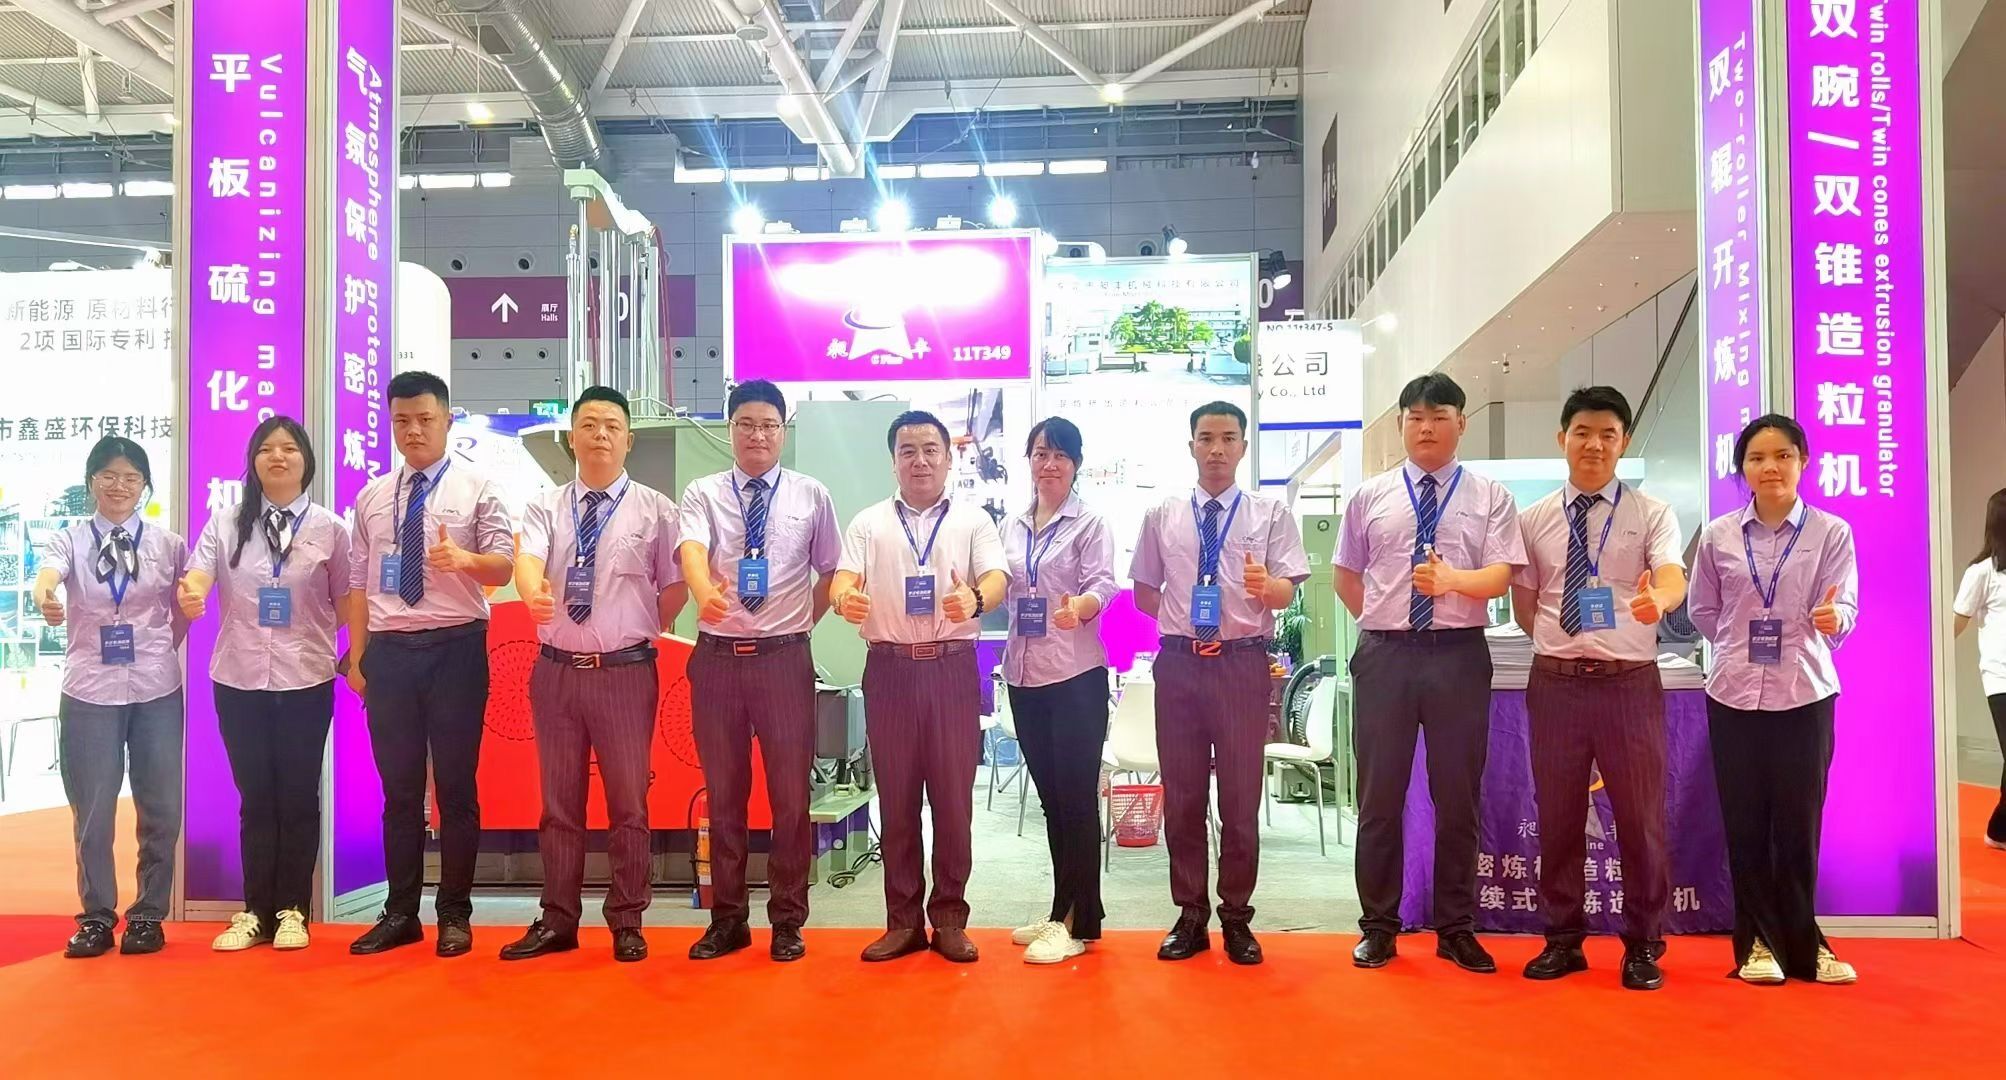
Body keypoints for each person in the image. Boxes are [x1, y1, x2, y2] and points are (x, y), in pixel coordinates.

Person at [1334, 374, 1526, 974]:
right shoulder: (1370, 496)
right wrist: (1382, 620)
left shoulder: (1490, 495)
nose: (1426, 428)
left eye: (1439, 416)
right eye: (1415, 417)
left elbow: (1501, 576)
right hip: (1385, 656)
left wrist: (1451, 583)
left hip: (1458, 655)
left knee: (1458, 798)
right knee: (1379, 797)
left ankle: (1456, 928)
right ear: (1400, 425)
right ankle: (1378, 927)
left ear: (1461, 423)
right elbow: (1346, 574)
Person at [1511, 386, 1685, 991]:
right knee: (1558, 816)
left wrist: (1660, 600)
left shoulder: (1651, 513)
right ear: (1562, 438)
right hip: (1556, 685)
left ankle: (1643, 944)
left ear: (1624, 442)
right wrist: (1564, 645)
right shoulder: (1533, 519)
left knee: (1640, 819)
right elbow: (1526, 604)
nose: (1594, 445)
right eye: (1582, 432)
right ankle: (1563, 939)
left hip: (1627, 685)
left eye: (1608, 434)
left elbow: (1670, 575)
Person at [502, 387, 684, 964]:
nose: (600, 434)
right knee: (559, 805)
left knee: (629, 803)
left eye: (611, 425)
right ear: (571, 438)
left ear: (629, 439)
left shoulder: (656, 510)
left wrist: (641, 627)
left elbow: (675, 585)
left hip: (624, 674)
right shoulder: (546, 506)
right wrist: (532, 593)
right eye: (588, 424)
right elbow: (528, 559)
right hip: (556, 673)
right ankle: (558, 918)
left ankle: (627, 920)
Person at [1130, 401, 1308, 966]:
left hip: (1240, 664)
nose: (1216, 449)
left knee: (1239, 798)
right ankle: (1190, 914)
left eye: (1228, 438)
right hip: (1180, 665)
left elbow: (1287, 590)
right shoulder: (1162, 514)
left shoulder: (1269, 512)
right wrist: (1182, 619)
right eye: (1206, 438)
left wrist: (1266, 588)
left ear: (1243, 447)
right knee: (1182, 797)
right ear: (1191, 446)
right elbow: (1144, 591)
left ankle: (1236, 917)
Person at [345, 370, 516, 958]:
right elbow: (360, 583)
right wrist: (359, 658)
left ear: (447, 419)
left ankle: (454, 913)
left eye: (425, 419)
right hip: (391, 653)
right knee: (398, 792)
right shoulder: (371, 497)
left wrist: (464, 559)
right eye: (402, 420)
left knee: (456, 787)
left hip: (455, 648)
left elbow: (504, 566)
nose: (413, 430)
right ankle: (399, 913)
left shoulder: (479, 487)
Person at [1687, 414, 1860, 986]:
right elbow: (1703, 611)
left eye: (1782, 455)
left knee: (1799, 824)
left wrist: (1834, 619)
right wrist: (1739, 646)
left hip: (1804, 692)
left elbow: (1845, 607)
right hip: (1733, 695)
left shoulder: (1831, 532)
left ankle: (1804, 944)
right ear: (1742, 468)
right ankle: (1756, 943)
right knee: (1744, 824)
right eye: (1757, 458)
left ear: (1803, 461)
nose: (1770, 468)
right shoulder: (1718, 536)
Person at [831, 410, 1008, 963]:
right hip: (889, 671)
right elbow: (844, 577)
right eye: (908, 451)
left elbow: (996, 578)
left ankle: (950, 919)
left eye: (931, 450)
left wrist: (974, 599)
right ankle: (903, 922)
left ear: (949, 459)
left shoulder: (974, 520)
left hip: (952, 669)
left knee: (954, 803)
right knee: (898, 801)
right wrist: (843, 598)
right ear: (894, 461)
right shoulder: (869, 523)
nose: (920, 460)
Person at [677, 379, 840, 963]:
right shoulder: (702, 492)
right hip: (718, 658)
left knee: (790, 798)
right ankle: (728, 920)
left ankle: (788, 920)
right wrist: (704, 591)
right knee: (724, 797)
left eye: (769, 425)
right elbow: (691, 550)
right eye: (746, 424)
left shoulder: (810, 494)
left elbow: (831, 571)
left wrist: (799, 625)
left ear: (782, 431)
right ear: (730, 429)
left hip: (783, 660)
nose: (757, 435)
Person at [178, 417, 351, 952]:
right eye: (266, 449)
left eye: (289, 448)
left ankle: (293, 910)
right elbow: (200, 573)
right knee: (255, 797)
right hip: (239, 677)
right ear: (253, 462)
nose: (278, 457)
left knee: (298, 795)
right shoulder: (226, 523)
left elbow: (348, 600)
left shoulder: (330, 529)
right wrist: (192, 594)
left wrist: (360, 654)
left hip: (306, 678)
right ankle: (255, 909)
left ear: (306, 461)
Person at [32, 436, 185, 959]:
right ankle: (97, 916)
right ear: (91, 481)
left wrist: (160, 647)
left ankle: (147, 915)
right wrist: (44, 595)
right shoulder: (70, 539)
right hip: (89, 690)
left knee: (160, 804)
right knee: (93, 809)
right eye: (109, 476)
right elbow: (48, 577)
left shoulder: (167, 544)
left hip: (156, 688)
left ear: (145, 486)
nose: (120, 486)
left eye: (131, 477)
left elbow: (183, 606)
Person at [1000, 417, 1118, 965]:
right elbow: (1000, 582)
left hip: (1074, 676)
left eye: (1060, 455)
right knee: (1052, 802)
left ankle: (1076, 922)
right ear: (1029, 460)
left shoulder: (1089, 522)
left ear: (1076, 464)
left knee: (1075, 800)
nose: (1049, 464)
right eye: (1040, 453)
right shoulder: (1012, 524)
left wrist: (1083, 606)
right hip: (1023, 676)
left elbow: (1103, 583)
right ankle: (1062, 910)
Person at [1954, 487, 2006, 853]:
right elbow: (1955, 623)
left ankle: (2000, 830)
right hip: (2001, 677)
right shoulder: (1982, 573)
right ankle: (1998, 828)